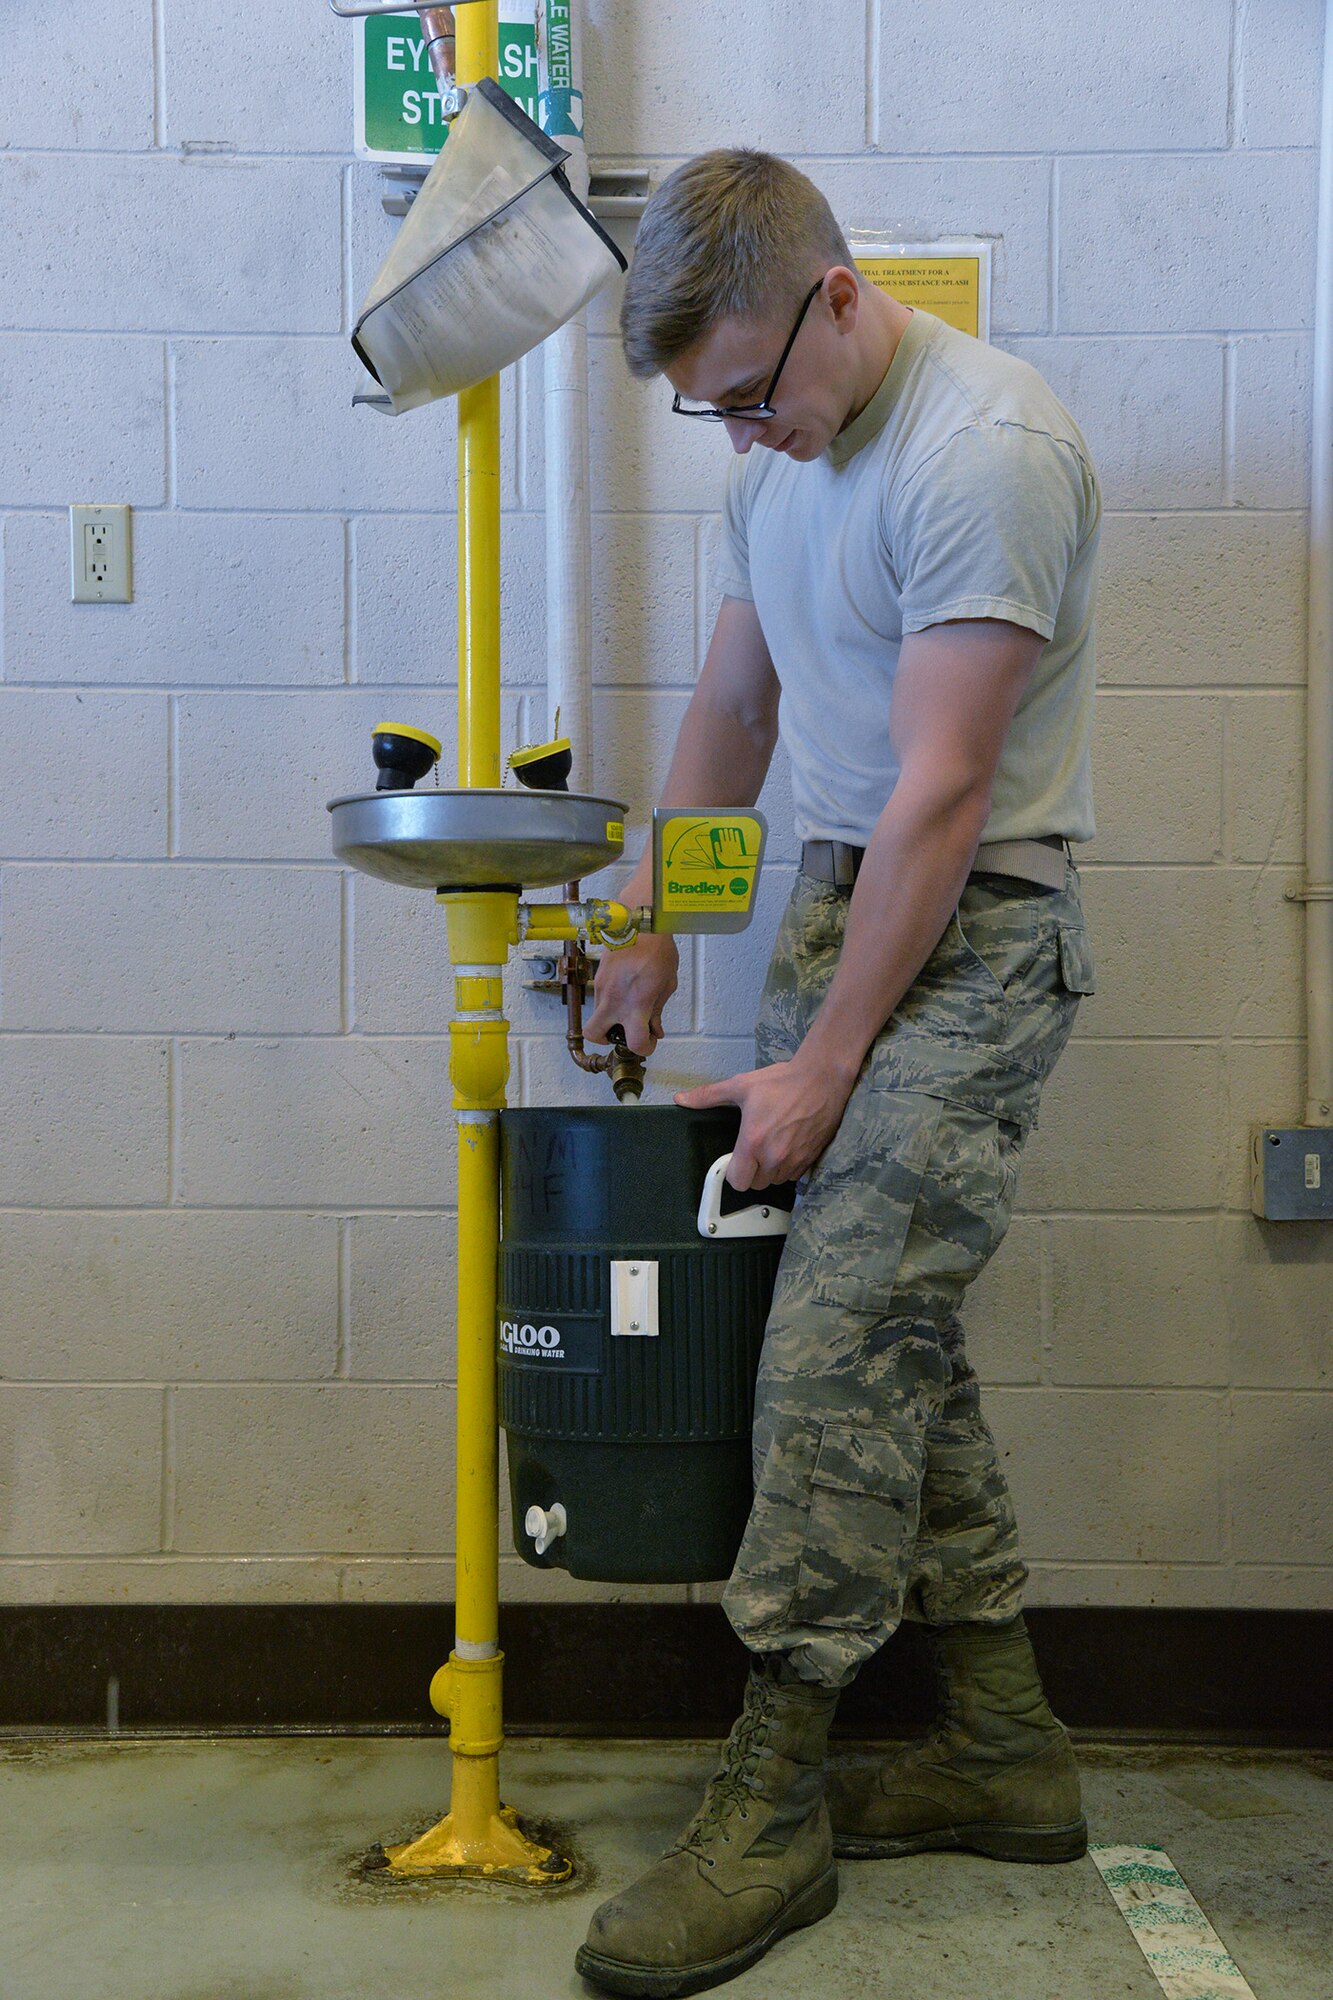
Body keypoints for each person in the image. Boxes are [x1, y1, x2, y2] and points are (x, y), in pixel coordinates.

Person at [576, 149, 1100, 2000]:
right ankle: (1004, 1746)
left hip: (967, 939)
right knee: (893, 1345)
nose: (744, 436)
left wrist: (819, 1058)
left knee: (828, 1354)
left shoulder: (985, 452)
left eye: (750, 393)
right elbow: (738, 717)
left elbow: (945, 798)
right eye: (707, 413)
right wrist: (650, 918)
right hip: (837, 908)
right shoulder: (775, 464)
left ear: (837, 293)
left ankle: (774, 1802)